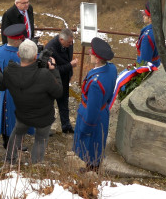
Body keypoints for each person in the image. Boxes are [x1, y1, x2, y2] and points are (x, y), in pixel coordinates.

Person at [2, 40, 63, 166]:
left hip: (22, 113)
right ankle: (36, 166)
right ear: (36, 57)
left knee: (17, 133)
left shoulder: (9, 71)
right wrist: (54, 70)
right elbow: (58, 92)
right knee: (40, 139)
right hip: (43, 117)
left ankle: (10, 160)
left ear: (18, 54)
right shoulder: (45, 74)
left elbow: (24, 76)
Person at [74, 37, 117, 172]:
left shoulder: (95, 84)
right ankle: (93, 166)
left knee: (91, 144)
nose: (89, 53)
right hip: (103, 111)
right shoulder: (111, 68)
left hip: (93, 116)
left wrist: (85, 128)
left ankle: (91, 169)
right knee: (98, 141)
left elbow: (92, 112)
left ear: (97, 59)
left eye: (92, 53)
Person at [0, 24, 31, 148]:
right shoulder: (21, 55)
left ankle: (8, 141)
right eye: (21, 39)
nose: (23, 41)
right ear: (16, 41)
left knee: (6, 116)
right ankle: (14, 144)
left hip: (5, 90)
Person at [44, 28, 79, 133]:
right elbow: (51, 69)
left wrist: (70, 73)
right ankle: (46, 127)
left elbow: (67, 58)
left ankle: (66, 126)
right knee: (49, 104)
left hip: (64, 79)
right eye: (69, 42)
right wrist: (70, 66)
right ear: (61, 39)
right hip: (52, 80)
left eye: (71, 42)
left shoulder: (69, 43)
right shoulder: (50, 48)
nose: (71, 44)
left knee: (64, 103)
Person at [136, 3, 161, 68]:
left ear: (150, 19)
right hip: (156, 64)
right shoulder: (158, 29)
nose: (143, 16)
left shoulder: (147, 37)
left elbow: (144, 63)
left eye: (145, 15)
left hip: (150, 69)